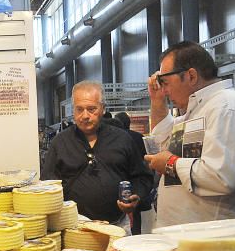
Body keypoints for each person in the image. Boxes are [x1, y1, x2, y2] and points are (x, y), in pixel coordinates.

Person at [144, 41, 235, 228]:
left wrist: (172, 164)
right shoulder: (197, 108)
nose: (165, 91)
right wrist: (157, 101)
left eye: (166, 83)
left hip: (213, 238)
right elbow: (164, 143)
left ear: (191, 76)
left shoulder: (225, 107)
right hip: (189, 235)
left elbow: (222, 177)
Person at [42, 81, 153, 231]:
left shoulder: (122, 139)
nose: (85, 115)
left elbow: (142, 177)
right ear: (73, 110)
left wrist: (136, 196)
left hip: (117, 225)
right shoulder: (60, 143)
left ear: (103, 109)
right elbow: (47, 185)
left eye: (91, 109)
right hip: (73, 229)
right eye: (79, 109)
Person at [113, 111, 151, 235]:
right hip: (136, 184)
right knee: (135, 214)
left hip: (121, 189)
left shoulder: (116, 140)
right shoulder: (139, 137)